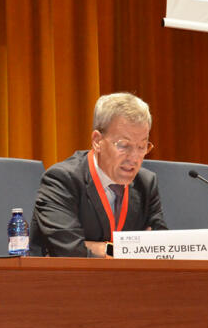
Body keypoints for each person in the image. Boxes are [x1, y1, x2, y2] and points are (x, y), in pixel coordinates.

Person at [30, 92, 167, 257]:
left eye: (142, 146)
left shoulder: (146, 183)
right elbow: (71, 252)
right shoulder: (62, 180)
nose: (134, 157)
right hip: (68, 280)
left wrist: (97, 248)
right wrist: (132, 250)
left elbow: (161, 248)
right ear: (97, 141)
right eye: (124, 145)